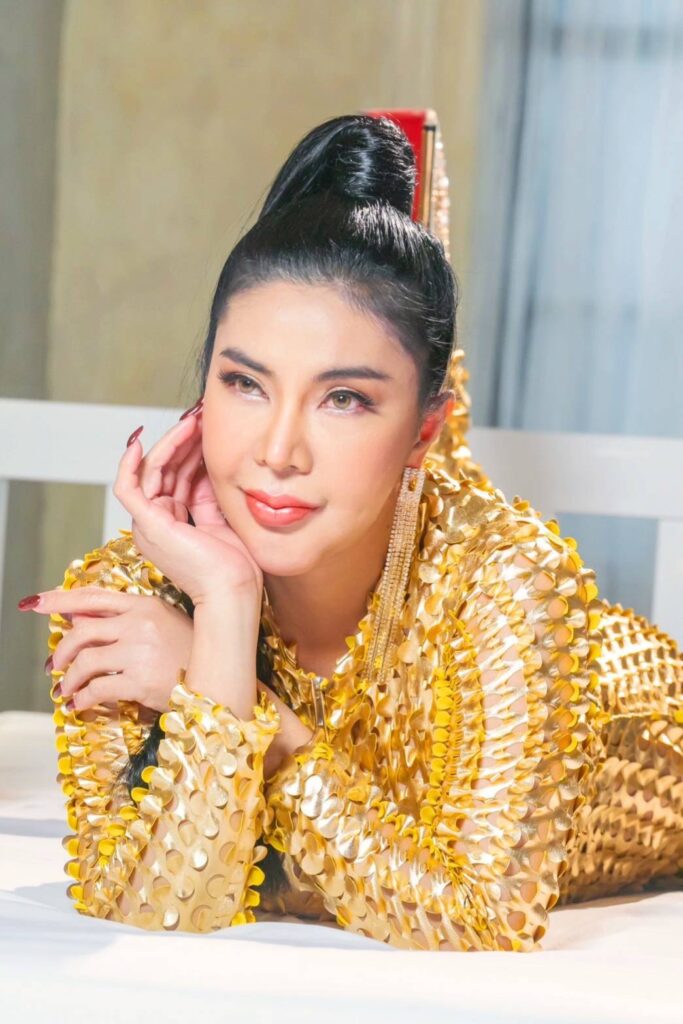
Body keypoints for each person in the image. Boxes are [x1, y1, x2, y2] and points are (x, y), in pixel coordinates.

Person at [20, 112, 683, 952]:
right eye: (245, 383)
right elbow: (159, 910)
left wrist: (232, 696)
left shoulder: (504, 578)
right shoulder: (135, 596)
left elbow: (478, 915)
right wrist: (224, 605)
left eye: (344, 399)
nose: (277, 452)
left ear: (423, 432)